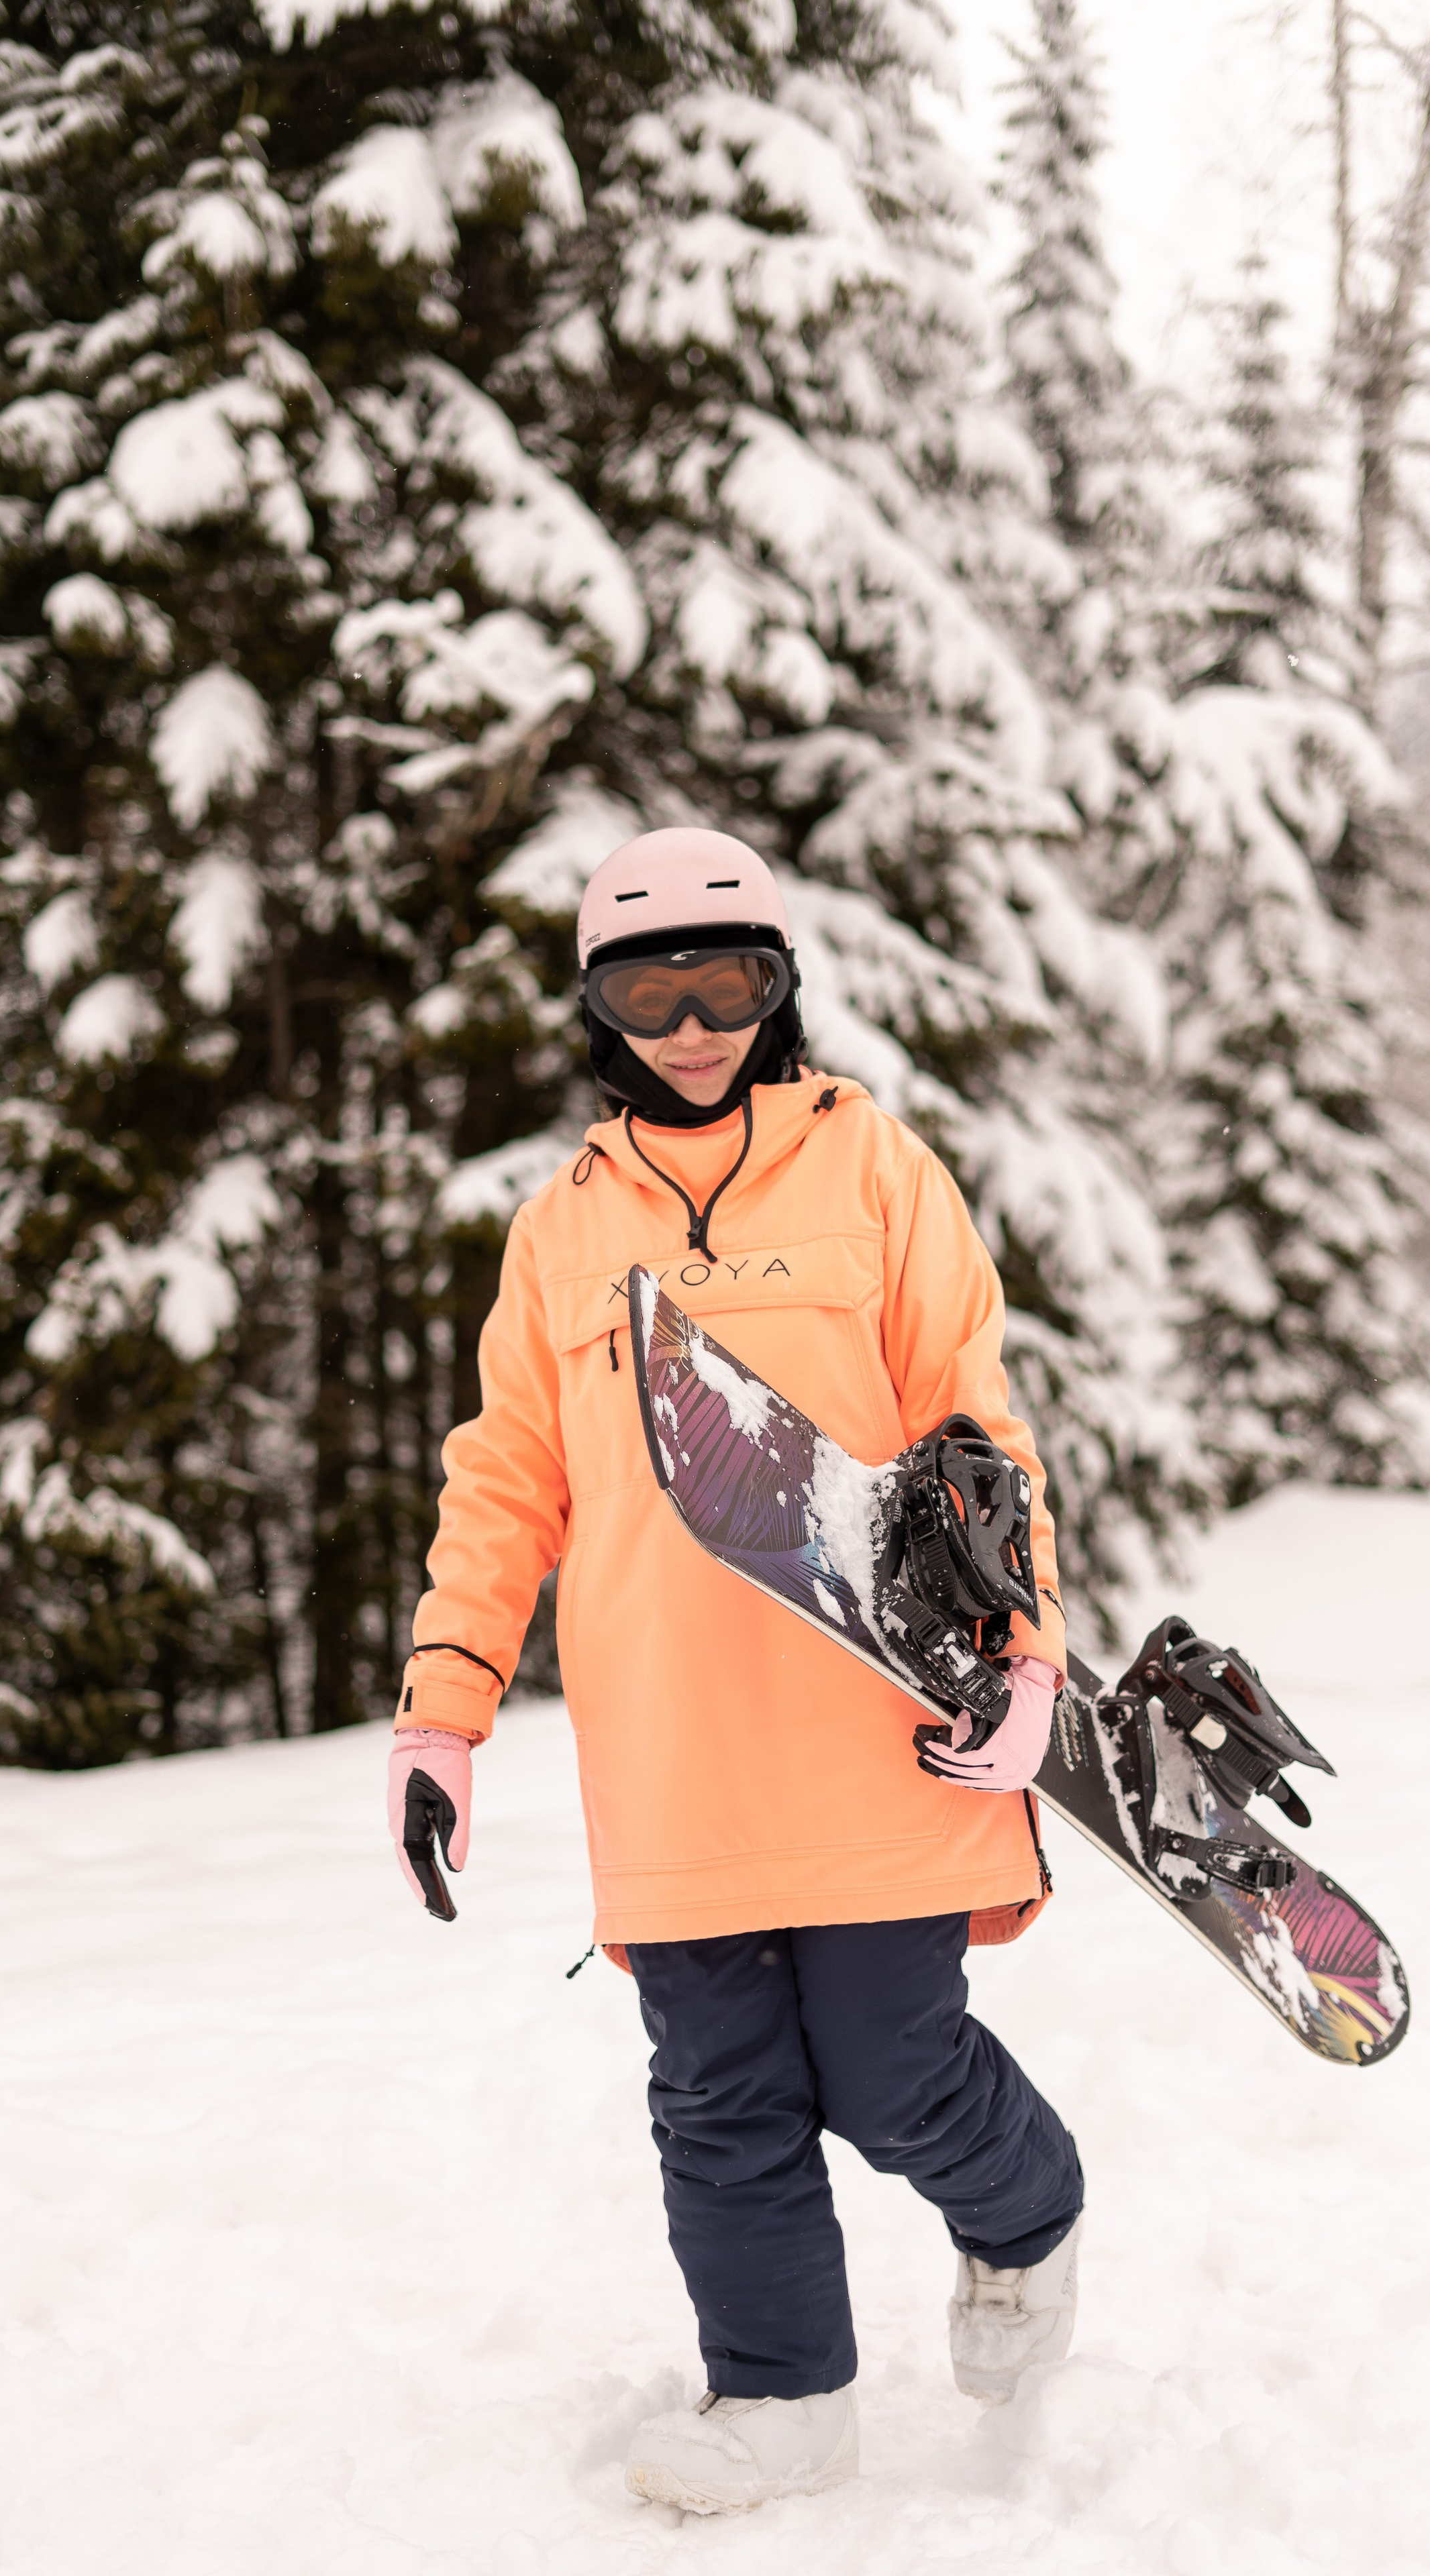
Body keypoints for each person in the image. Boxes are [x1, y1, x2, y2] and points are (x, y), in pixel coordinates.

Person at [387, 828, 1083, 2515]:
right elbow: (504, 1483)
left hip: (879, 1724)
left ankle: (1025, 2217)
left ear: (778, 991)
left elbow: (972, 1424)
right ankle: (779, 2397)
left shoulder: (872, 1171)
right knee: (717, 2091)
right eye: (648, 986)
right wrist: (444, 1713)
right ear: (595, 1007)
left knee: (889, 2064)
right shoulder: (558, 1230)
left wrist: (1027, 1649)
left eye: (728, 983)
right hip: (669, 1744)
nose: (689, 1022)